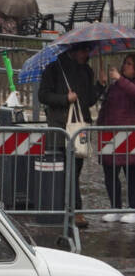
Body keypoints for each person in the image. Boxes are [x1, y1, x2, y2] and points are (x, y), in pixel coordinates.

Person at [38, 43, 104, 228]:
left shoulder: (87, 70)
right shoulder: (54, 69)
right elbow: (43, 95)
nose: (86, 54)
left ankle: (71, 209)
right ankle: (73, 211)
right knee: (67, 172)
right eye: (83, 51)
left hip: (79, 127)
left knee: (75, 171)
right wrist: (65, 99)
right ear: (73, 51)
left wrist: (100, 85)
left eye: (87, 51)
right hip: (60, 128)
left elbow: (88, 101)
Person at [96, 53, 135, 223]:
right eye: (125, 62)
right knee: (110, 174)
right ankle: (116, 207)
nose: (125, 65)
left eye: (130, 64)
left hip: (129, 136)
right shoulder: (114, 86)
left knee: (131, 175)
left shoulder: (125, 83)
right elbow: (105, 106)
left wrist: (120, 79)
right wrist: (99, 126)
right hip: (110, 135)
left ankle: (133, 208)